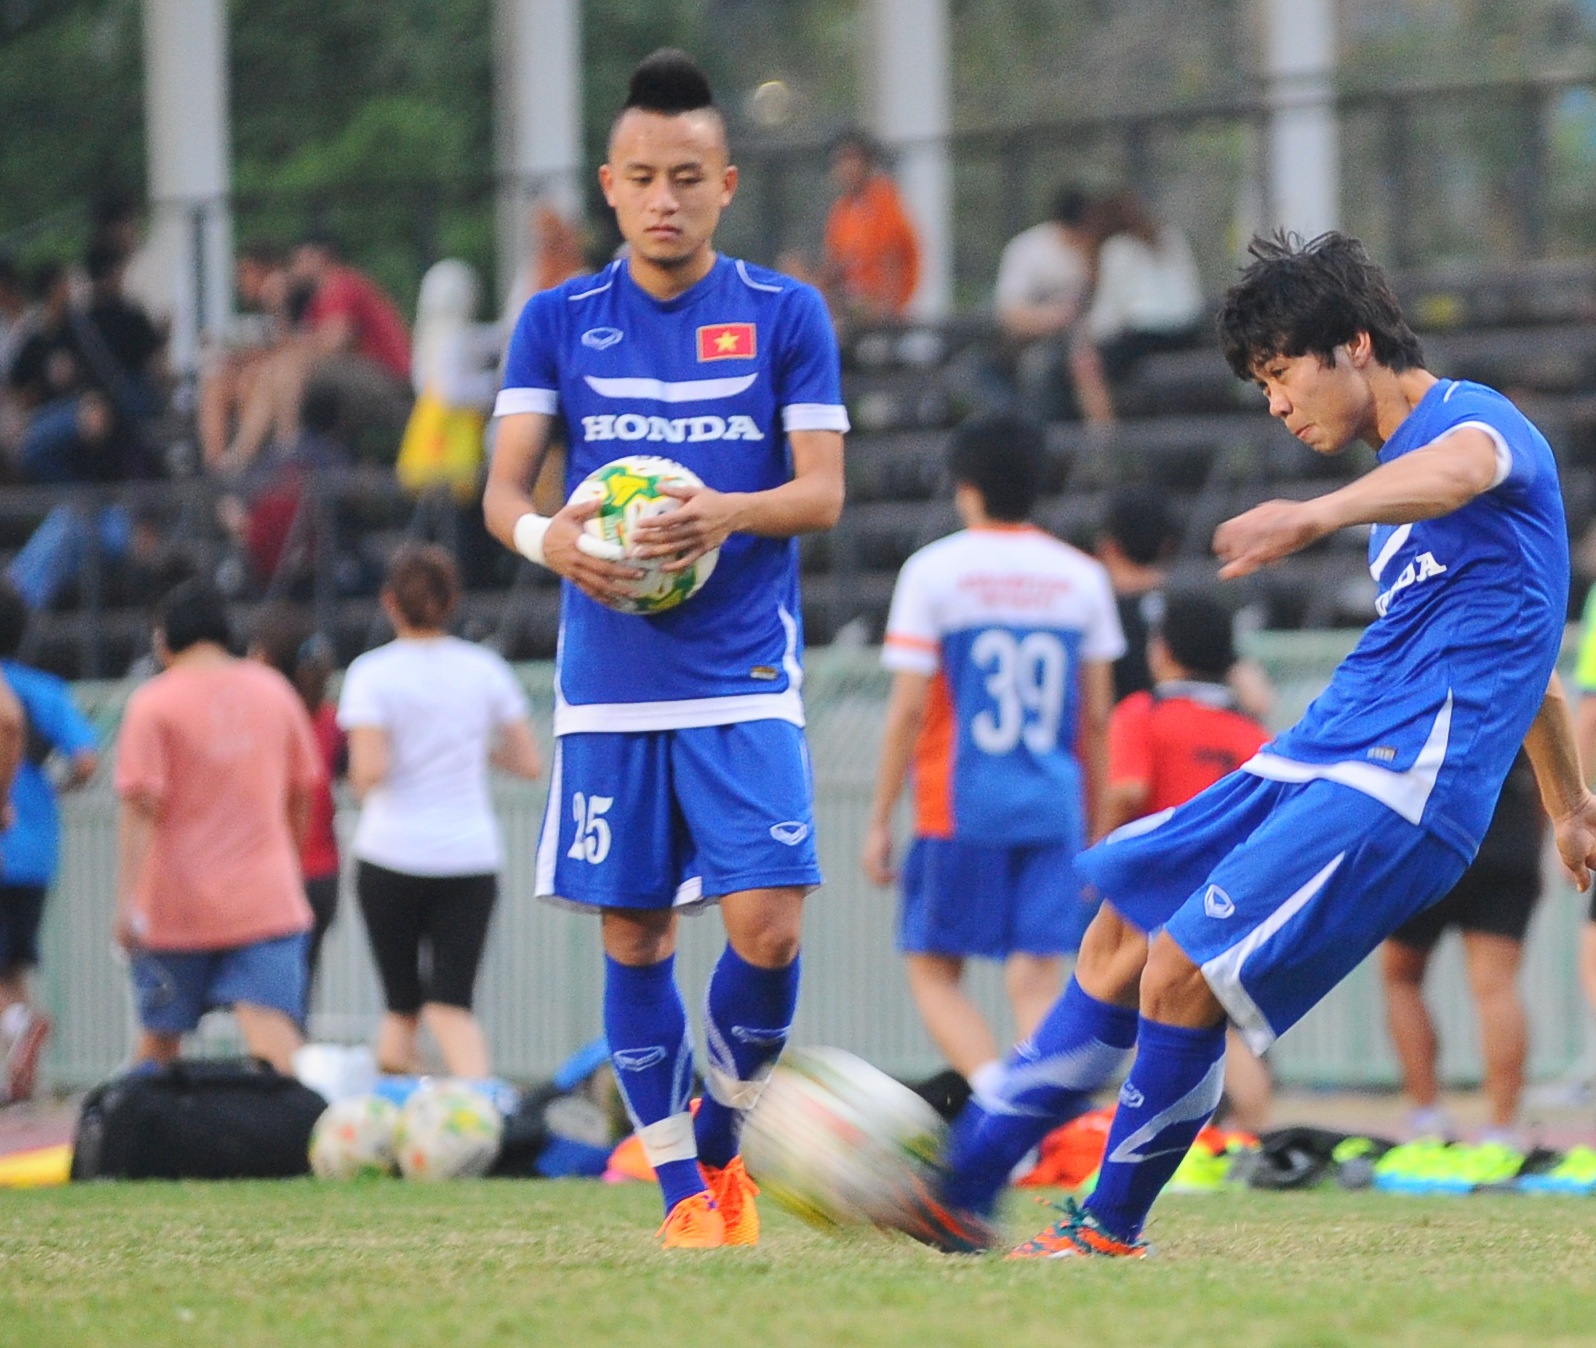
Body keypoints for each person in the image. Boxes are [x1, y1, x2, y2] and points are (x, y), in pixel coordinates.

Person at [905, 230, 1596, 1259]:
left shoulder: (1472, 423)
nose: (1277, 404)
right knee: (1117, 931)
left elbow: (1463, 470)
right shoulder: (1395, 504)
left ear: (1354, 345)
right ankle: (958, 1185)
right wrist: (1570, 805)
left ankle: (1107, 1230)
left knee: (1181, 970)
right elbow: (1535, 667)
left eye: (1282, 375)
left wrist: (1313, 517)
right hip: (1317, 751)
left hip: (1402, 781)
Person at [482, 49, 847, 1249]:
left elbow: (824, 493)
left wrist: (727, 513)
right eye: (642, 177)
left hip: (744, 670)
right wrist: (552, 541)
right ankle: (686, 1197)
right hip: (613, 684)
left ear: (726, 183)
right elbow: (501, 491)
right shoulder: (558, 320)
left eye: (687, 176)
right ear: (610, 183)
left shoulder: (785, 314)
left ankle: (724, 1139)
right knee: (636, 933)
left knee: (770, 929)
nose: (664, 199)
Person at [861, 412, 1122, 1102]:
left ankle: (993, 1093)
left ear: (964, 485)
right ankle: (1034, 1116)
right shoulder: (1081, 576)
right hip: (1052, 804)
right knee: (1037, 978)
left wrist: (881, 817)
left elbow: (910, 709)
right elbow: (1096, 717)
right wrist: (1094, 823)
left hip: (959, 805)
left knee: (933, 969)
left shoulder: (934, 571)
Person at [337, 545, 540, 1079]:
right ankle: (482, 1117)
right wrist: (475, 747)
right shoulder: (485, 669)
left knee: (400, 1007)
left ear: (389, 603)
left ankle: (391, 1129)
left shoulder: (370, 673)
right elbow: (528, 761)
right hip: (468, 857)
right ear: (452, 602)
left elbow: (368, 771)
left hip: (390, 854)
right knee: (453, 1005)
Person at [113, 580, 323, 1074]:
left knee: (158, 1046)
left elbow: (140, 810)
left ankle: (148, 1149)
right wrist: (285, 864)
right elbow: (303, 793)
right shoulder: (274, 690)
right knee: (275, 1039)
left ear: (163, 639)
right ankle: (296, 1147)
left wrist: (126, 904)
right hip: (265, 900)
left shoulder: (153, 703)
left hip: (174, 905)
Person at [1104, 591, 1272, 1133]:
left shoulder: (1143, 713)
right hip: (1237, 895)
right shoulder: (1250, 732)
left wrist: (1104, 852)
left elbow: (1129, 788)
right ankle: (1248, 1130)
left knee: (1144, 1010)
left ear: (1164, 652)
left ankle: (1220, 1126)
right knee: (1211, 1015)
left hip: (1162, 895)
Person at [1379, 748, 1545, 1148]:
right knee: (1497, 986)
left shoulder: (1411, 683)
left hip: (1429, 835)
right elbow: (1547, 760)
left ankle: (1427, 1117)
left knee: (1400, 977)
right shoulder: (1522, 682)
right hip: (1510, 834)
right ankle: (1504, 1127)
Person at [226, 230, 411, 467]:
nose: (295, 268)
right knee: (266, 372)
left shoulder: (341, 283)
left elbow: (336, 341)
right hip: (357, 375)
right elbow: (296, 343)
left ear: (320, 256)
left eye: (299, 259)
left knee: (287, 367)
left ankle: (288, 448)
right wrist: (278, 305)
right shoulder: (318, 297)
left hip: (387, 379)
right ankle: (244, 456)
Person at [0, 582, 83, 1102]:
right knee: (13, 964)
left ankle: (19, 1025)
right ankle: (16, 1078)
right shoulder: (45, 688)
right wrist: (50, 787)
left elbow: (8, 723)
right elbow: (87, 756)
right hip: (37, 848)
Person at [248, 603, 344, 1016]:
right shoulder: (331, 721)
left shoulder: (260, 721)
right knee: (299, 989)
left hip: (275, 873)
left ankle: (275, 1069)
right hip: (323, 875)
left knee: (264, 995)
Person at [994, 185, 1113, 424]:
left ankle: (1105, 447)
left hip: (1092, 341)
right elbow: (1010, 313)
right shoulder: (1029, 249)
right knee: (1040, 366)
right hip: (1037, 342)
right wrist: (1055, 317)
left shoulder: (1101, 249)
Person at [1079, 189, 1205, 414]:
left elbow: (1109, 317)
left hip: (1145, 335)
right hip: (1187, 333)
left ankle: (1103, 440)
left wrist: (1088, 336)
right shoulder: (1171, 238)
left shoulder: (1116, 248)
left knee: (1086, 364)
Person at [821, 129, 922, 323]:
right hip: (849, 303)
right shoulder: (842, 209)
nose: (845, 168)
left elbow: (892, 259)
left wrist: (886, 313)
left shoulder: (884, 200)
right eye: (840, 161)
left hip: (879, 307)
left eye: (852, 159)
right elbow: (834, 264)